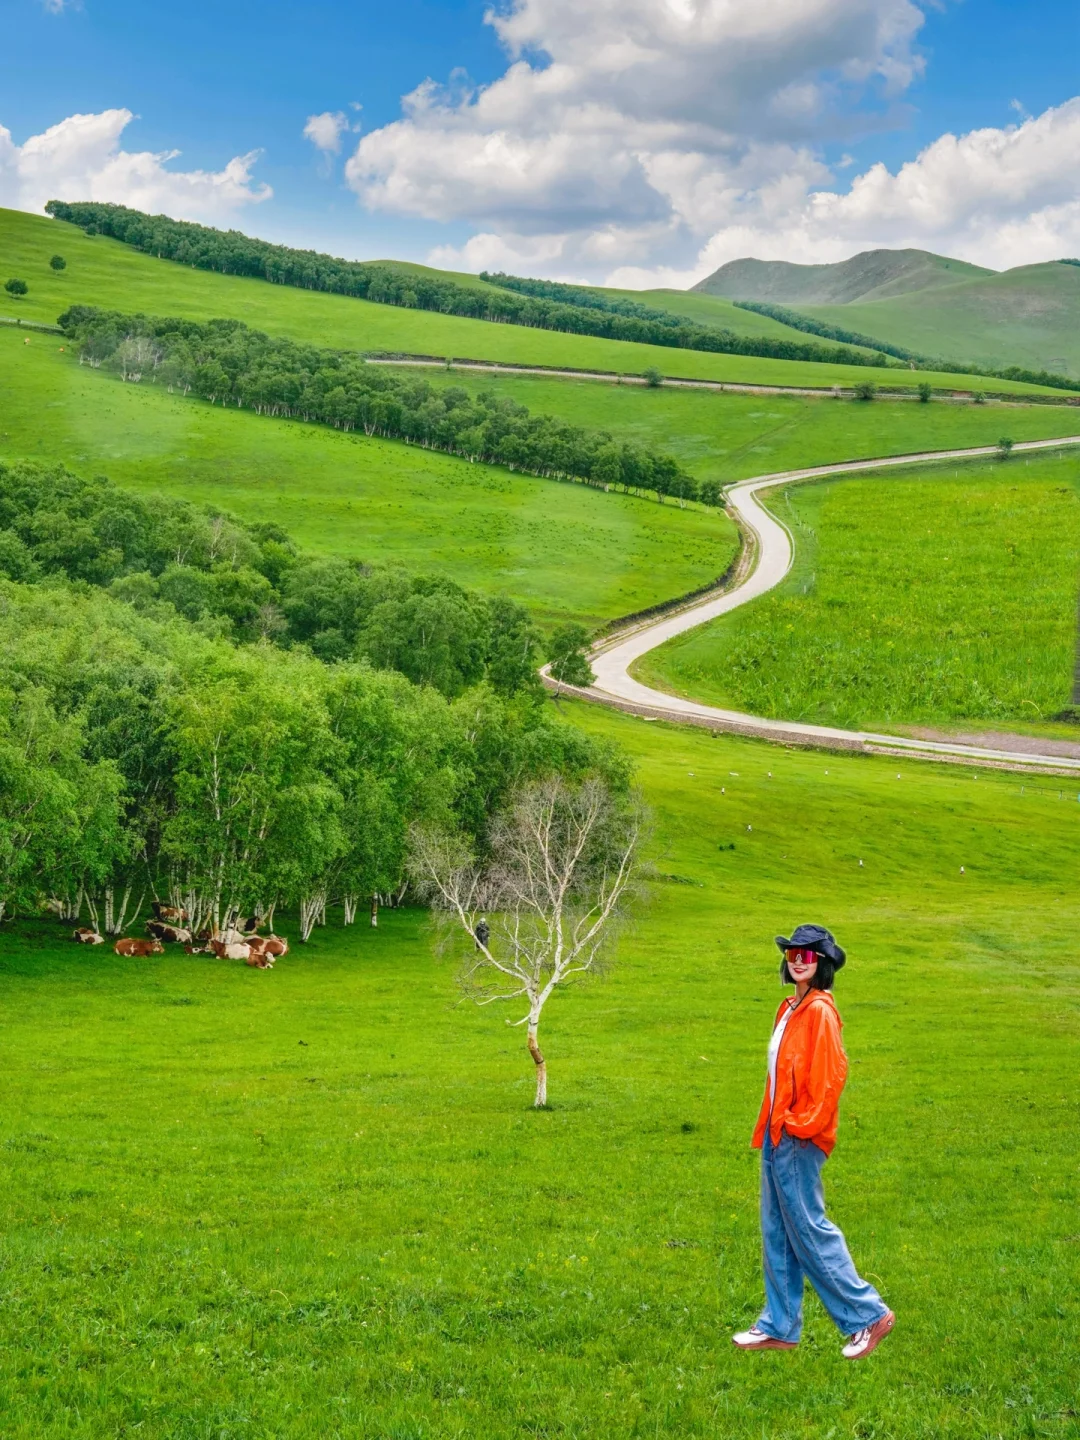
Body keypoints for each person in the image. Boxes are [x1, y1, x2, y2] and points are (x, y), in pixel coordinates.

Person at [732, 923, 895, 1361]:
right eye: (792, 953)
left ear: (821, 962)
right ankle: (779, 1325)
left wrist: (801, 1126)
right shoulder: (788, 1008)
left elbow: (830, 1076)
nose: (797, 959)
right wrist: (777, 1124)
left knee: (807, 1227)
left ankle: (868, 1315)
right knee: (778, 1231)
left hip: (797, 1136)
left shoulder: (820, 1011)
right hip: (775, 1131)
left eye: (807, 954)